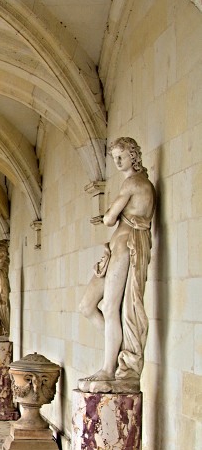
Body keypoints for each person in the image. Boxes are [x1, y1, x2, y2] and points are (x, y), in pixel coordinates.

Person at [78, 137, 155, 392]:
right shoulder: (132, 183)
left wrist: (111, 211)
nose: (117, 162)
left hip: (125, 248)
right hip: (114, 249)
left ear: (134, 155)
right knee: (87, 306)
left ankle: (109, 369)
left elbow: (110, 219)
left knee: (111, 308)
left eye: (121, 156)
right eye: (114, 158)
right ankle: (119, 351)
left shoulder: (135, 183)